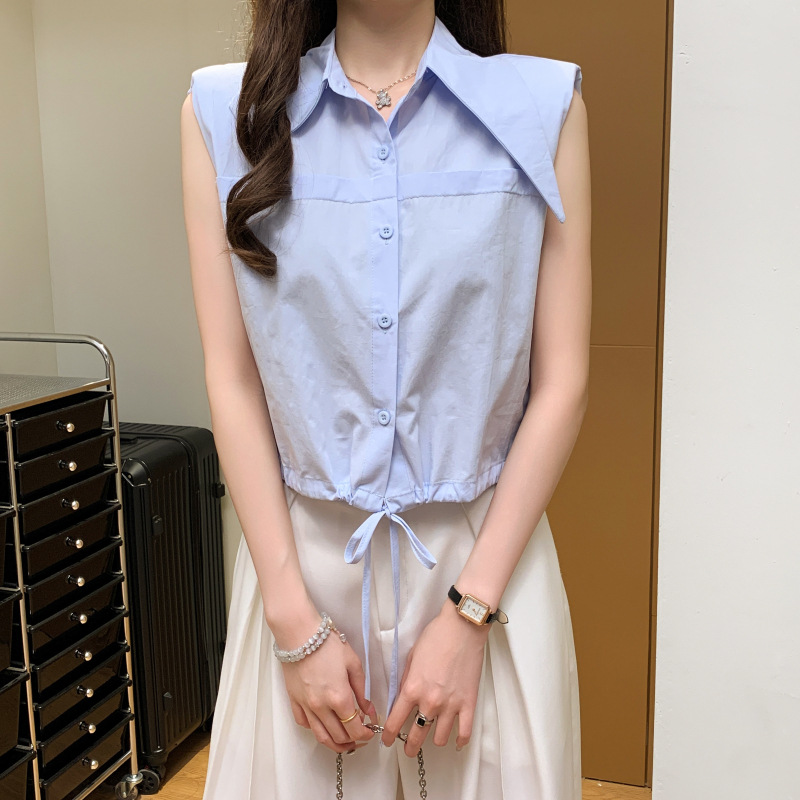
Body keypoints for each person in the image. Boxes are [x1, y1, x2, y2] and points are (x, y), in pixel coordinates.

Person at [181, 2, 591, 798]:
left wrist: (471, 615)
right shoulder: (223, 115)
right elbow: (232, 381)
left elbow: (563, 382)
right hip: (299, 571)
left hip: (488, 569)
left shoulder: (544, 108)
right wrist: (294, 626)